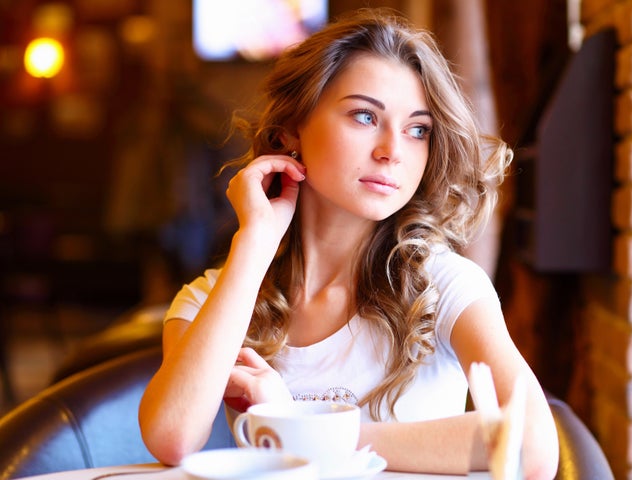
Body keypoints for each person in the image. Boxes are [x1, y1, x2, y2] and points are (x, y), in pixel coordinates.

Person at [139, 8, 558, 478]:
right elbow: (171, 437)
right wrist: (254, 243)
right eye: (365, 116)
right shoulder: (211, 300)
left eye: (418, 129)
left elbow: (533, 446)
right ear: (291, 130)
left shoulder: (445, 286)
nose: (393, 151)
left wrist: (304, 429)